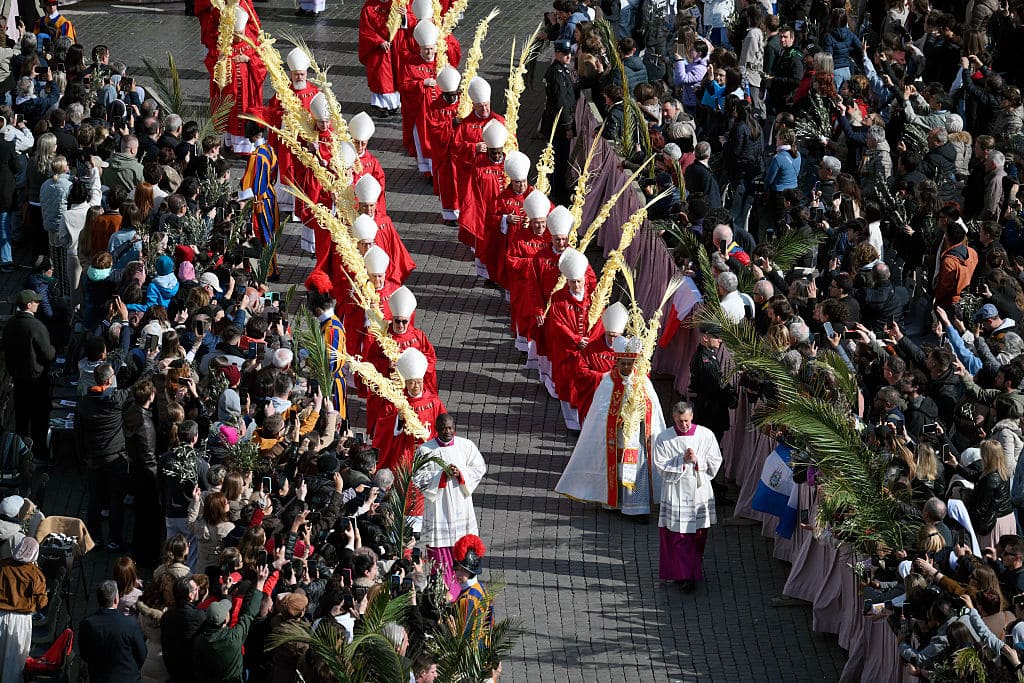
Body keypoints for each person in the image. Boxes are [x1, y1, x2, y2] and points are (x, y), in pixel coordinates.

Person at [555, 336, 666, 520]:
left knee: (636, 470)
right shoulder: (608, 382)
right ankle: (614, 502)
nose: (626, 368)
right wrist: (618, 418)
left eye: (629, 364)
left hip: (636, 437)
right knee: (617, 470)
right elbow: (600, 411)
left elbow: (652, 408)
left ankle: (637, 508)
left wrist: (638, 412)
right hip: (615, 436)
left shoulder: (643, 382)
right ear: (617, 362)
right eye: (622, 364)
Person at [413, 413, 487, 600]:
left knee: (464, 557)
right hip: (439, 510)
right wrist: (442, 476)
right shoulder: (425, 450)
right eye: (443, 428)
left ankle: (468, 596)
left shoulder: (466, 446)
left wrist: (461, 474)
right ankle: (445, 598)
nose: (447, 432)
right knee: (442, 565)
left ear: (455, 427)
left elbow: (479, 468)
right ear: (436, 428)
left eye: (450, 428)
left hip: (461, 508)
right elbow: (418, 478)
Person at [653, 402, 723, 591]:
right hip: (675, 492)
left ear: (692, 416)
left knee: (698, 535)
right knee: (679, 535)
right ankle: (686, 575)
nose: (684, 425)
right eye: (679, 421)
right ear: (674, 418)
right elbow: (660, 466)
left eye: (686, 420)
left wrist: (697, 460)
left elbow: (716, 460)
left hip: (698, 491)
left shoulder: (705, 435)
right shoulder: (664, 438)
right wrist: (681, 461)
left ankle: (689, 571)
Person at [76, 362, 135, 553]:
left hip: (94, 458)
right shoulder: (116, 400)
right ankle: (114, 540)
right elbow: (135, 387)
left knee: (94, 499)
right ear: (109, 380)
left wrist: (82, 456)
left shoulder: (84, 403)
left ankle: (94, 538)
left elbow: (78, 431)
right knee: (116, 500)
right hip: (115, 457)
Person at [192, 565, 272, 683]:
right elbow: (249, 614)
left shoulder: (200, 640)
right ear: (225, 620)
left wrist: (225, 594)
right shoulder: (234, 637)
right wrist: (260, 583)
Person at [3, 289, 55, 461]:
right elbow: (48, 354)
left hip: (18, 378)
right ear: (28, 305)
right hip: (37, 379)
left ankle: (18, 452)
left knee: (21, 417)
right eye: (36, 301)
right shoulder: (36, 326)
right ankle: (39, 453)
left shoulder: (10, 324)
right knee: (39, 416)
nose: (38, 303)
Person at [78, 580, 148, 682]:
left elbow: (85, 654)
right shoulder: (130, 624)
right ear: (116, 599)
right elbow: (142, 654)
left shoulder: (87, 624)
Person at [0, 537, 48, 683]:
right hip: (20, 620)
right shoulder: (36, 574)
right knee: (15, 659)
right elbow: (42, 602)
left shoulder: (3, 566)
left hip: (0, 615)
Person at [541, 40, 577, 203]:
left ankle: (558, 189)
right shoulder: (556, 73)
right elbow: (561, 102)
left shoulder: (561, 70)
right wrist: (568, 125)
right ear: (556, 53)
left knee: (561, 157)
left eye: (569, 53)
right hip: (558, 125)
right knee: (559, 158)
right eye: (564, 53)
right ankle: (557, 192)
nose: (568, 56)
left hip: (558, 122)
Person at [688, 324, 736, 441]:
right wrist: (731, 397)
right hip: (710, 416)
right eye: (716, 337)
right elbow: (716, 388)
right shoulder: (704, 360)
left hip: (712, 414)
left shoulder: (709, 355)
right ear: (705, 338)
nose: (720, 340)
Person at [453, 534, 492, 637]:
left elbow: (463, 635)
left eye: (463, 570)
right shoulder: (480, 587)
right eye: (457, 569)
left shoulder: (467, 599)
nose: (458, 574)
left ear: (471, 571)